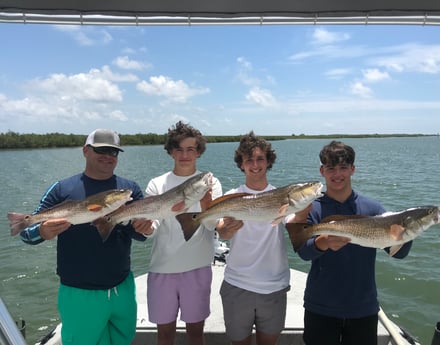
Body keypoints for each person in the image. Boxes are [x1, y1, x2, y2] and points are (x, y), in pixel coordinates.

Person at [19, 129, 153, 345]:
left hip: (123, 288)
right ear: (85, 151)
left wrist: (143, 227)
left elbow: (139, 236)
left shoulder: (129, 189)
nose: (108, 156)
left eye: (114, 152)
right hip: (80, 293)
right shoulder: (62, 189)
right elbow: (26, 234)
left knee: (123, 340)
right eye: (102, 150)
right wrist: (42, 232)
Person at [297, 140, 413, 345]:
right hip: (320, 305)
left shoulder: (373, 209)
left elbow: (398, 253)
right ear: (322, 171)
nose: (337, 174)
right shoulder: (312, 209)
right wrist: (322, 243)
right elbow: (304, 252)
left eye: (343, 168)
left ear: (352, 169)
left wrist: (409, 231)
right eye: (331, 168)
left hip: (363, 307)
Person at [215, 131, 309, 345]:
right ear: (241, 164)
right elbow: (222, 231)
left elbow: (294, 223)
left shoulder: (282, 195)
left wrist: (304, 207)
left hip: (274, 286)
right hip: (237, 284)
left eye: (260, 159)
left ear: (268, 162)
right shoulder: (232, 196)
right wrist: (228, 228)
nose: (255, 164)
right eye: (249, 159)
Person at [145, 121, 222, 345]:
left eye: (191, 149)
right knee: (165, 335)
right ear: (170, 151)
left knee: (196, 333)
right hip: (162, 268)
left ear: (198, 151)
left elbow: (211, 225)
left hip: (197, 268)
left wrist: (207, 207)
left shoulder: (210, 182)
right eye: (179, 149)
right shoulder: (157, 184)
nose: (184, 154)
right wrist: (145, 226)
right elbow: (153, 228)